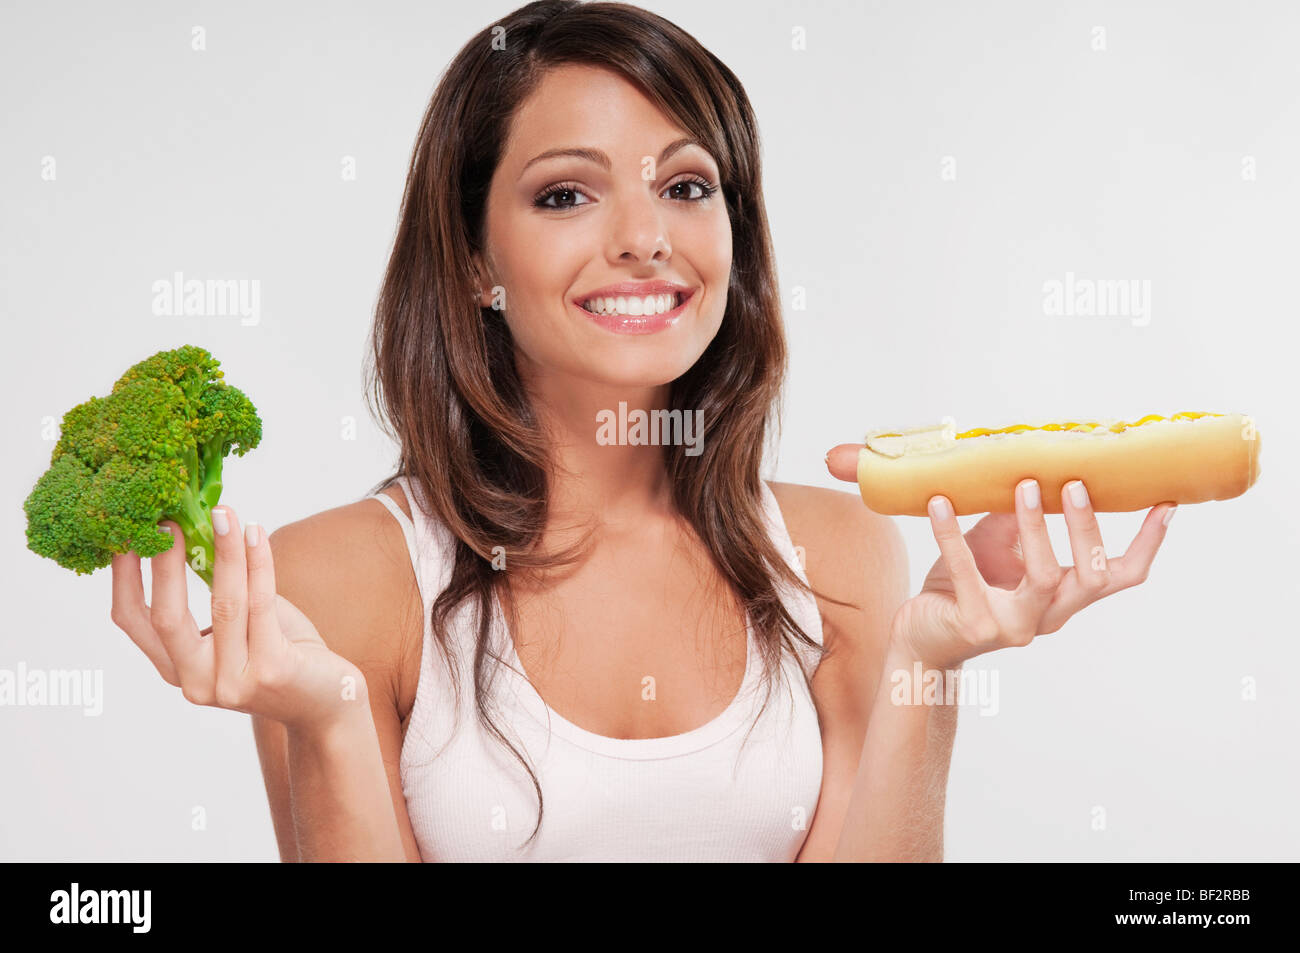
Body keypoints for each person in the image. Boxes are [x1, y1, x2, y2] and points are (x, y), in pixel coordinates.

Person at [108, 0, 1174, 862]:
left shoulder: (841, 553)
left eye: (685, 185)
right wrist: (332, 719)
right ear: (476, 259)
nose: (643, 238)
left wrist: (930, 663)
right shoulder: (339, 574)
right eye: (566, 193)